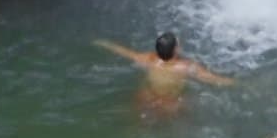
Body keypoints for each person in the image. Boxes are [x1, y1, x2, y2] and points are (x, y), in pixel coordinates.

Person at [94, 32, 233, 113]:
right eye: (178, 44)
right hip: (171, 105)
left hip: (146, 99)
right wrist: (241, 83)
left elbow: (124, 52)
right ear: (175, 51)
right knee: (197, 104)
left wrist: (105, 43)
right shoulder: (186, 67)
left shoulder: (148, 59)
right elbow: (214, 79)